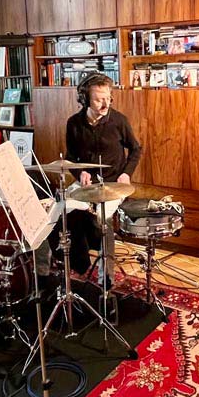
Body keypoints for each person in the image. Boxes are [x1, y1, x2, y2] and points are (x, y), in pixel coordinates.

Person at [50, 72, 142, 282]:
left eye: (108, 98)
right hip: (86, 185)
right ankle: (49, 271)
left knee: (103, 220)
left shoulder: (119, 121)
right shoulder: (73, 123)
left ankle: (106, 279)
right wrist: (78, 171)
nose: (105, 104)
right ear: (84, 99)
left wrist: (126, 174)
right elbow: (71, 157)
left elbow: (136, 150)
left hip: (113, 185)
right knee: (57, 211)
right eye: (99, 99)